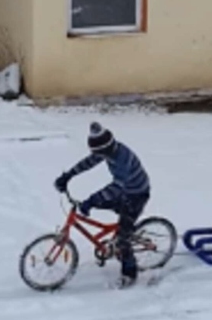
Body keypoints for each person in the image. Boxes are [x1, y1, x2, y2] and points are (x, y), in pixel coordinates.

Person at [54, 122, 150, 289]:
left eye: (100, 153)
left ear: (107, 148)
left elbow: (116, 187)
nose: (98, 155)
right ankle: (120, 229)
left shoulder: (122, 158)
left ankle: (130, 272)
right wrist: (68, 176)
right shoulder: (108, 151)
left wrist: (91, 200)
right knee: (102, 203)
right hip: (124, 191)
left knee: (122, 238)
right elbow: (88, 163)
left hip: (137, 194)